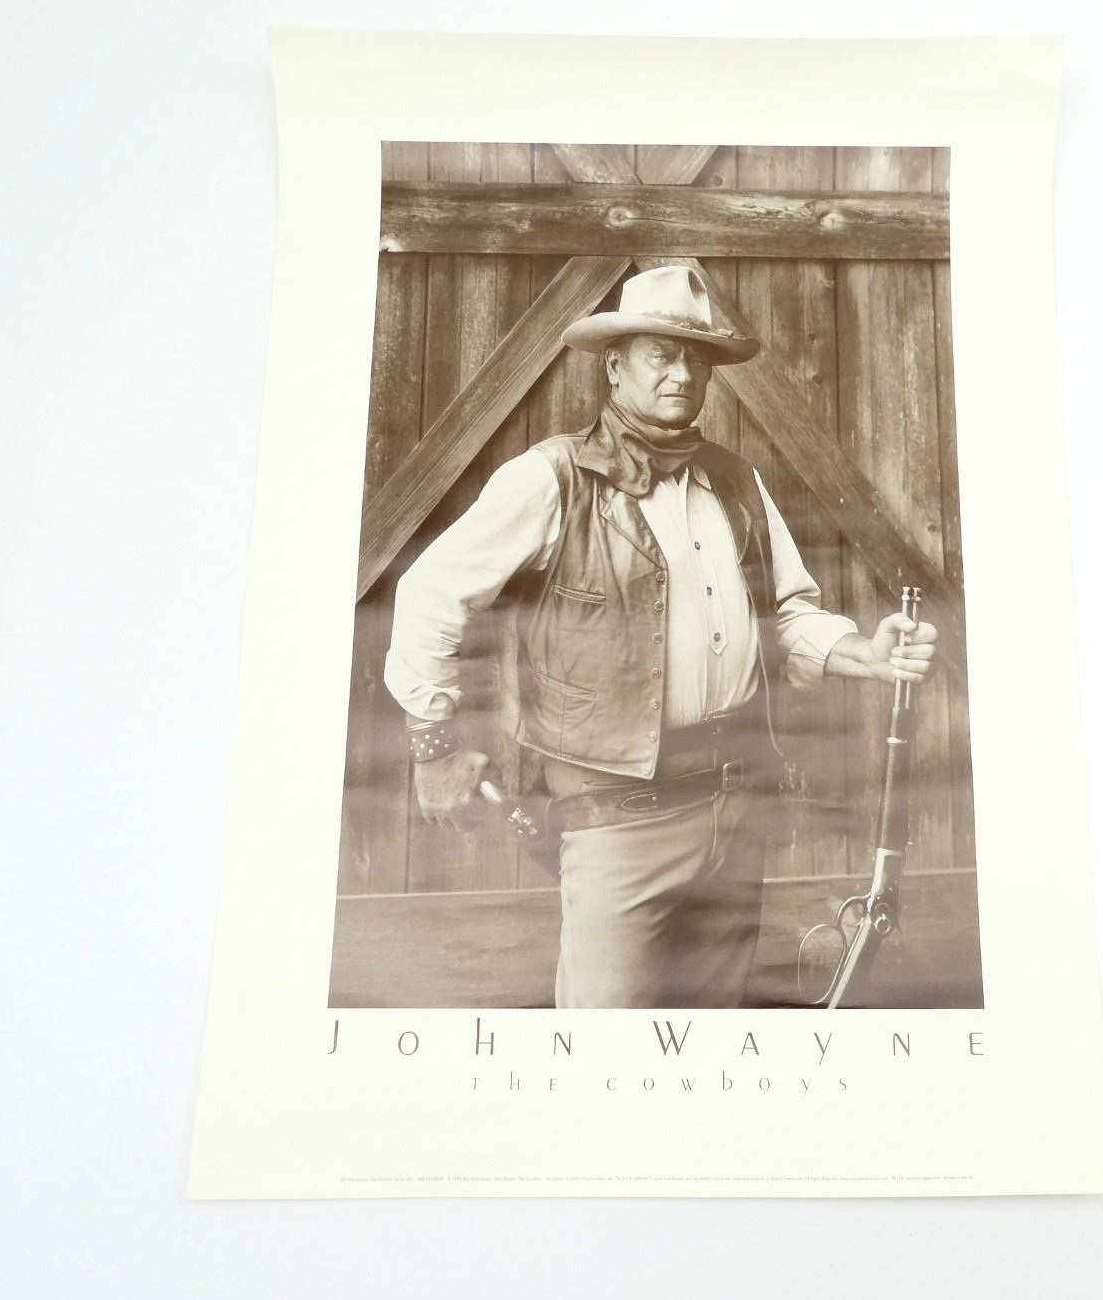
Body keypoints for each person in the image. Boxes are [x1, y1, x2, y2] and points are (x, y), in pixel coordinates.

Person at [384, 265, 937, 1008]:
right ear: (615, 367)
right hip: (615, 822)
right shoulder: (551, 477)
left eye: (697, 360)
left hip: (736, 811)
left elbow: (787, 612)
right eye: (662, 355)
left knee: (711, 1037)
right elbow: (428, 595)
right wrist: (433, 748)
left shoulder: (737, 481)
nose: (682, 374)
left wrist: (861, 653)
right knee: (607, 1047)